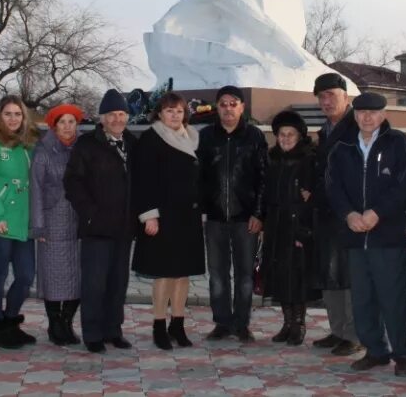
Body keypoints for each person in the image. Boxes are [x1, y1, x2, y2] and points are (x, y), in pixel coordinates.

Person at [326, 92, 406, 377]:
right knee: (362, 299)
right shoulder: (342, 147)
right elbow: (333, 187)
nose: (367, 117)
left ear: (383, 115)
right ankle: (375, 350)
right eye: (362, 112)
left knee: (393, 298)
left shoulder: (398, 143)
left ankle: (402, 354)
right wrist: (349, 215)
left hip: (387, 236)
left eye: (373, 112)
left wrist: (377, 212)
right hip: (355, 236)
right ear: (355, 114)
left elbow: (403, 185)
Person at [65, 89, 137, 354]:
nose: (117, 119)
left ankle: (113, 330)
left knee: (118, 282)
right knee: (95, 283)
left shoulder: (132, 143)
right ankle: (93, 333)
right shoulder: (87, 145)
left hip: (124, 227)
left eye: (122, 114)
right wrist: (89, 212)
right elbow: (72, 182)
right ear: (102, 118)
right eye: (112, 115)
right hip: (96, 227)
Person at [131, 92, 205, 351]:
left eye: (179, 111)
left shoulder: (193, 138)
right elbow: (142, 180)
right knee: (164, 273)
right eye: (169, 111)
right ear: (159, 113)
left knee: (183, 274)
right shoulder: (151, 139)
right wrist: (149, 215)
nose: (175, 115)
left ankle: (178, 324)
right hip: (162, 217)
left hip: (188, 216)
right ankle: (159, 325)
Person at [196, 85, 267, 343]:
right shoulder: (206, 137)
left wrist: (259, 213)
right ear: (217, 107)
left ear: (242, 107)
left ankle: (242, 323)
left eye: (233, 103)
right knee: (217, 274)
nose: (228, 108)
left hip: (245, 217)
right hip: (215, 218)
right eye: (223, 104)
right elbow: (199, 177)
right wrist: (201, 209)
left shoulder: (254, 136)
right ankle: (222, 322)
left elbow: (263, 178)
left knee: (245, 274)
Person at [0, 94, 39, 349]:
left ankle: (11, 320)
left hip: (22, 221)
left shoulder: (28, 144)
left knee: (25, 275)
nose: (13, 119)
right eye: (8, 114)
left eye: (18, 114)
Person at [309, 73, 362, 356]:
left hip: (350, 213)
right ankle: (338, 329)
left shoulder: (358, 126)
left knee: (350, 276)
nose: (327, 101)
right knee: (330, 273)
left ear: (346, 97)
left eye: (332, 95)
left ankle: (355, 334)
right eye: (322, 96)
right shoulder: (325, 130)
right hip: (327, 212)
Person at [260, 110, 317, 346]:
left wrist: (304, 226)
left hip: (297, 225)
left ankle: (298, 323)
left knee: (297, 276)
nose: (285, 138)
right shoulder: (272, 159)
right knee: (280, 275)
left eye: (290, 134)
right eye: (281, 134)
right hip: (276, 225)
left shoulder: (308, 159)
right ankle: (286, 322)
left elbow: (312, 196)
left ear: (299, 136)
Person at [30, 103, 84, 346]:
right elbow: (36, 190)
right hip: (52, 222)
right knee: (53, 277)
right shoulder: (43, 151)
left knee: (77, 277)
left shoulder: (83, 148)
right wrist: (38, 226)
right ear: (54, 125)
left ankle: (66, 322)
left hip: (79, 223)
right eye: (62, 122)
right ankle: (54, 325)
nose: (67, 127)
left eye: (71, 122)